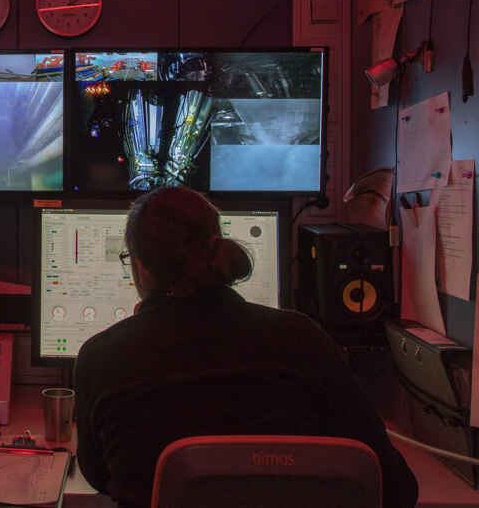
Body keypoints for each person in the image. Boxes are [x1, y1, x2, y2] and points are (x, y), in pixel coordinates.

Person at [75, 186, 418, 508]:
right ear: (216, 246)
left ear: (140, 268)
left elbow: (100, 477)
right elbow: (395, 487)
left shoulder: (101, 357)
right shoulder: (303, 339)